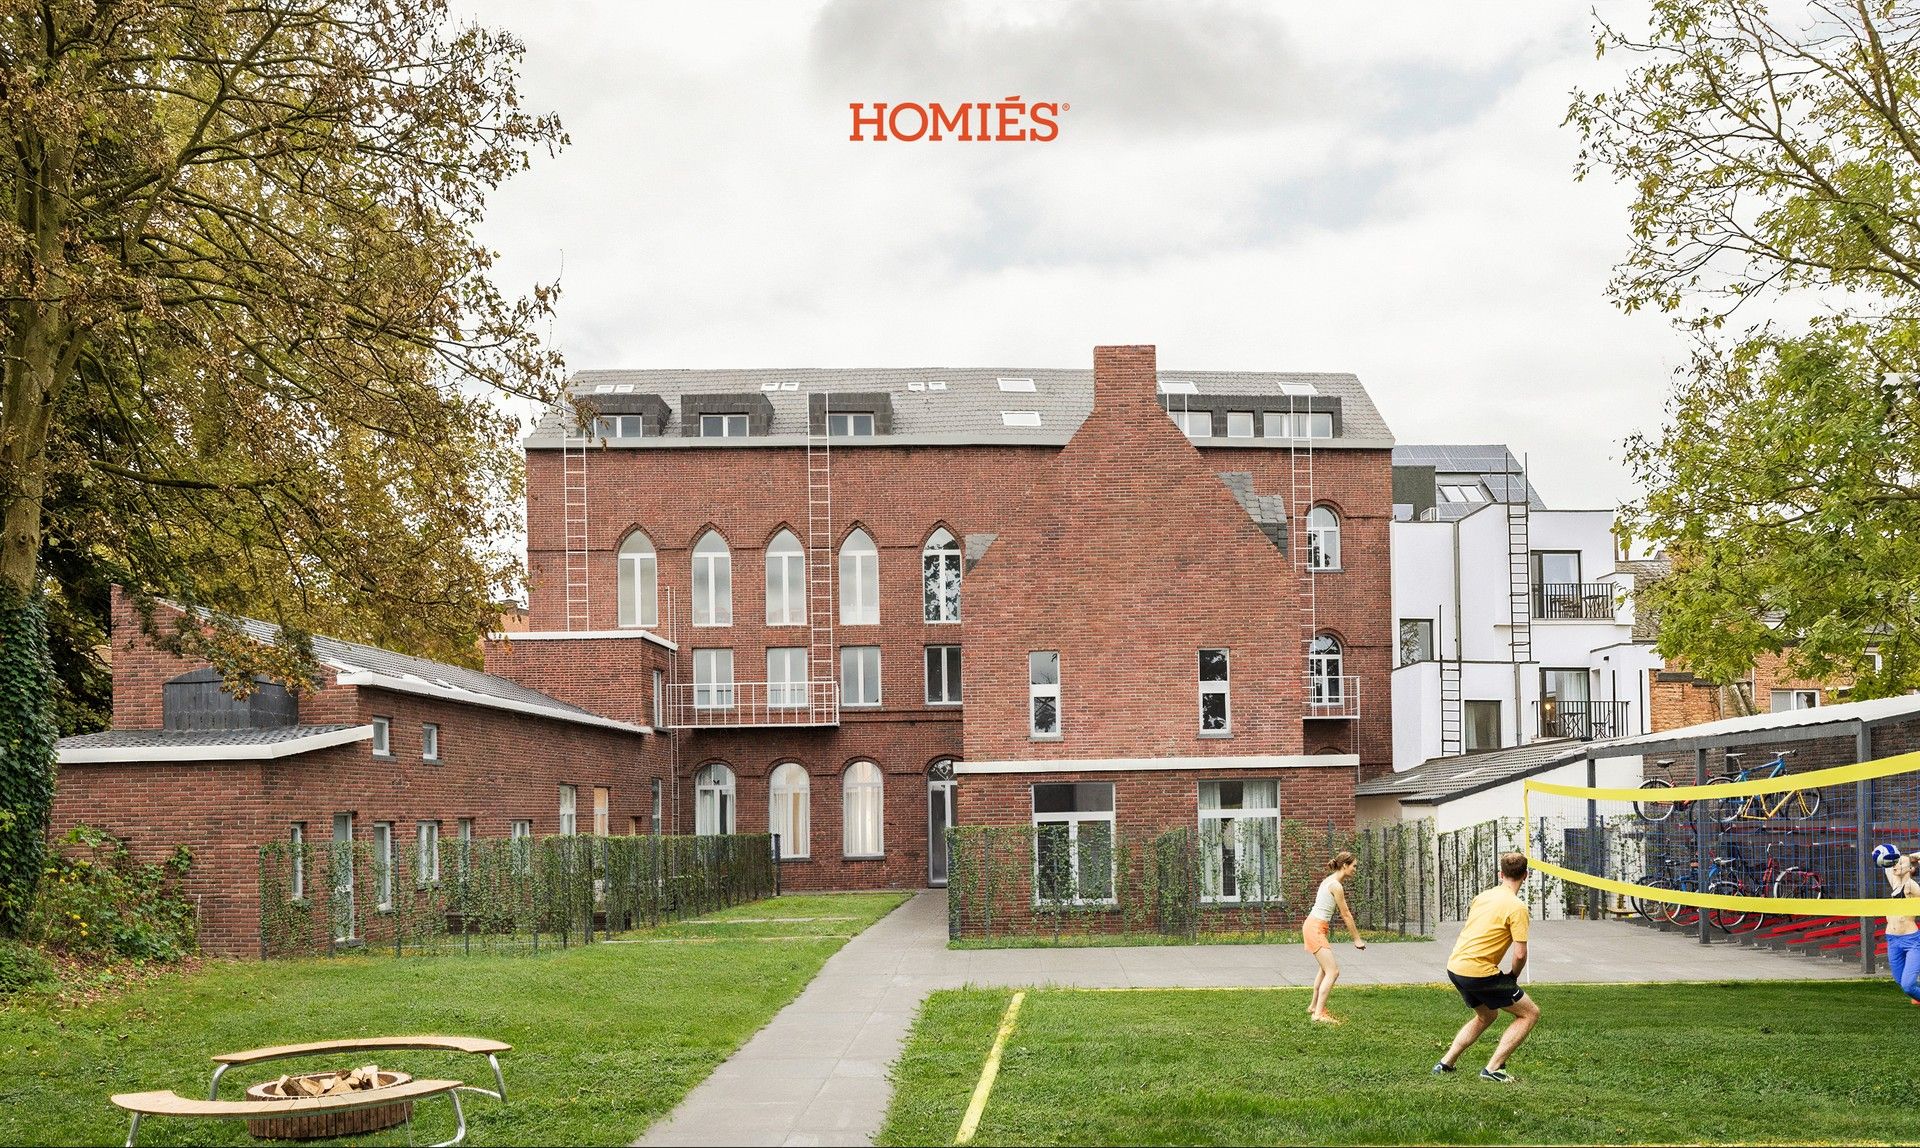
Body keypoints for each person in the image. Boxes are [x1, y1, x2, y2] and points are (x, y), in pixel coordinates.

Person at [1432, 851, 1539, 1083]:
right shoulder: (1517, 907)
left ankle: (1445, 1063)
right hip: (1478, 972)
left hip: (1455, 966)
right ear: (1526, 875)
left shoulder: (1482, 896)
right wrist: (1512, 977)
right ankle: (1493, 1068)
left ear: (1500, 874)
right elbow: (1520, 954)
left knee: (1486, 1015)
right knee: (1529, 1014)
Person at [1304, 850, 1366, 1025]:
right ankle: (1318, 1013)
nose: (1355, 869)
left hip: (1315, 926)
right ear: (1345, 865)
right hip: (1315, 928)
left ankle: (1313, 1006)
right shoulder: (1336, 886)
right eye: (1354, 866)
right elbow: (1346, 914)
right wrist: (1357, 939)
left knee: (1325, 970)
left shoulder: (1329, 880)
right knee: (1333, 971)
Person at [1887, 853, 1920, 1004]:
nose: (1895, 865)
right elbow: (1886, 858)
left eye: (1900, 863)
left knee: (1908, 986)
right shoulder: (1894, 881)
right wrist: (1905, 859)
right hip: (1892, 940)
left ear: (1910, 869)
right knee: (1901, 982)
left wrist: (1913, 857)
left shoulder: (1913, 886)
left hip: (1911, 941)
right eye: (1895, 863)